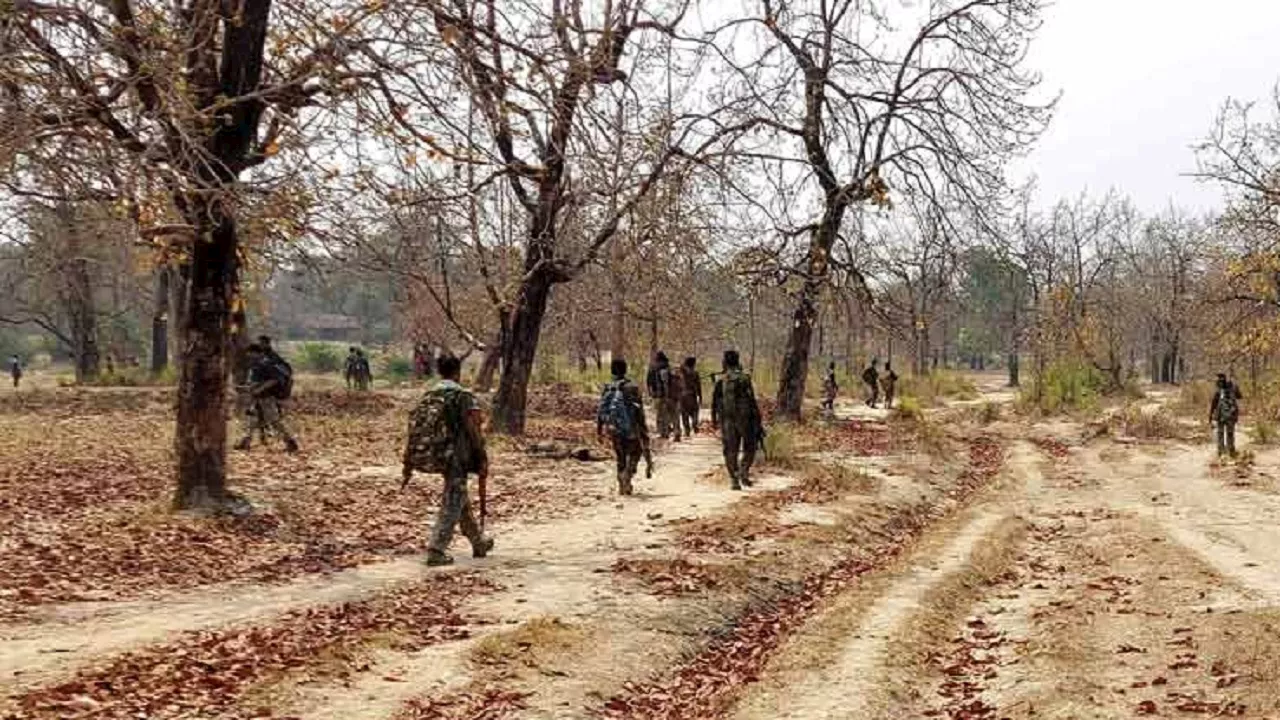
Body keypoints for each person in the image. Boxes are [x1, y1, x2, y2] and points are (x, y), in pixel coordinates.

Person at [403, 354, 493, 566]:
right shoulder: (462, 395)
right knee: (454, 497)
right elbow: (473, 427)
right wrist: (481, 454)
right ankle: (437, 548)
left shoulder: (429, 393)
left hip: (435, 451)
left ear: (439, 371)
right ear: (457, 371)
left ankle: (478, 541)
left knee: (458, 493)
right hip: (455, 454)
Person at [597, 358, 652, 495]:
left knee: (620, 456)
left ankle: (622, 484)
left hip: (614, 429)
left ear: (612, 371)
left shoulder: (608, 387)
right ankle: (628, 474)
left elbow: (601, 410)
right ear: (625, 370)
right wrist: (643, 430)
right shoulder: (632, 387)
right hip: (632, 428)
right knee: (636, 452)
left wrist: (599, 430)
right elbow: (640, 411)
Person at [712, 349, 764, 491]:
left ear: (724, 362)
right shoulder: (744, 378)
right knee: (750, 447)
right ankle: (743, 471)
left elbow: (715, 402)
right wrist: (758, 421)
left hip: (727, 419)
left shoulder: (720, 380)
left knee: (730, 450)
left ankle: (734, 479)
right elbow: (752, 400)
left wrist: (715, 421)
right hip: (745, 419)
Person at [235, 343, 300, 453]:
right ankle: (245, 442)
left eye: (250, 353)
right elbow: (257, 382)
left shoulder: (265, 364)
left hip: (266, 398)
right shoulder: (258, 364)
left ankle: (290, 442)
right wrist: (245, 388)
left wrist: (259, 389)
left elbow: (274, 380)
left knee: (274, 421)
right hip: (257, 398)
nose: (248, 355)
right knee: (252, 420)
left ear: (255, 352)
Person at [647, 351, 681, 441]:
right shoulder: (670, 368)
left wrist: (652, 394)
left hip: (661, 396)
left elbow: (649, 383)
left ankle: (664, 433)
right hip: (673, 396)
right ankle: (677, 432)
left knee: (662, 415)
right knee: (674, 415)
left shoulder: (653, 369)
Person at [1210, 373, 1243, 458]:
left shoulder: (1220, 390)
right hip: (1229, 415)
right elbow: (1240, 396)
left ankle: (1223, 452)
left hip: (1224, 415)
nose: (1218, 382)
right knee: (1228, 433)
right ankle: (1228, 452)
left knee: (1223, 433)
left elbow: (1213, 404)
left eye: (1219, 380)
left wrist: (1210, 415)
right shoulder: (1231, 387)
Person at [678, 356, 702, 436]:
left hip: (682, 395)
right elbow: (698, 386)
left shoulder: (682, 372)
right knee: (694, 411)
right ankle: (695, 424)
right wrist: (700, 396)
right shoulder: (695, 373)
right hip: (692, 395)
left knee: (684, 413)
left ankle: (687, 430)